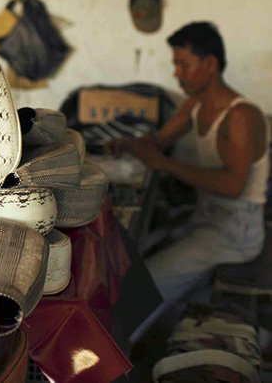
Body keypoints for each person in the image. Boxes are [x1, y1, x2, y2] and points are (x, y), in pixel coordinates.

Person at [111, 21, 269, 339]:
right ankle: (165, 329)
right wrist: (128, 144)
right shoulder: (196, 105)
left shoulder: (241, 115)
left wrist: (164, 164)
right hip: (206, 219)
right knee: (136, 255)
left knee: (145, 283)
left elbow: (233, 185)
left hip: (236, 233)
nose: (177, 74)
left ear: (209, 64)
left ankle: (117, 350)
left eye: (183, 65)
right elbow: (159, 142)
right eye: (175, 65)